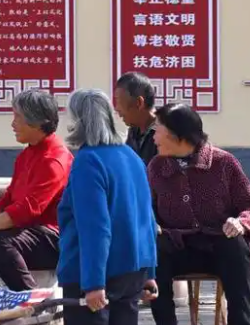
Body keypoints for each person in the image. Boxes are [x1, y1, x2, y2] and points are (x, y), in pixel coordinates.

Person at [147, 104, 250, 325]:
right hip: (178, 249)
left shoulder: (223, 163)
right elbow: (147, 209)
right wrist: (151, 225)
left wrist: (241, 223)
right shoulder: (156, 167)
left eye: (158, 130)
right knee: (154, 251)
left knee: (236, 245)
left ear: (177, 135)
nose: (153, 137)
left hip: (217, 248)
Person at [0, 89, 73, 296]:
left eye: (18, 117)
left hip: (53, 237)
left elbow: (27, 210)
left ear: (36, 122)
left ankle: (32, 302)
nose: (12, 124)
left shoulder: (54, 159)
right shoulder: (27, 153)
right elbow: (8, 199)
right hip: (27, 230)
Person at [58, 89, 159, 325]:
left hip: (96, 274)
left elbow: (95, 228)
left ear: (78, 121)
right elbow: (147, 218)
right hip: (133, 269)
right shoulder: (131, 156)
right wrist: (150, 273)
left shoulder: (88, 161)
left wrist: (93, 283)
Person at [113, 72, 159, 165]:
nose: (117, 108)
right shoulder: (133, 132)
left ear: (139, 103)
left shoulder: (166, 133)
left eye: (118, 101)